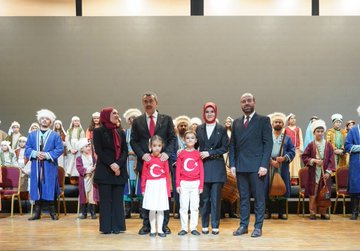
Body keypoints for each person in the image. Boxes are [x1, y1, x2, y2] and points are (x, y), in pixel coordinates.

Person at [130, 91, 176, 235]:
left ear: (156, 102)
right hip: (145, 164)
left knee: (164, 196)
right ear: (143, 103)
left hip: (162, 165)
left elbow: (173, 139)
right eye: (145, 101)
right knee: (146, 196)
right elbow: (133, 141)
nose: (148, 104)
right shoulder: (137, 121)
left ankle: (164, 225)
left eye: (151, 101)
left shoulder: (167, 119)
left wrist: (166, 153)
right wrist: (142, 154)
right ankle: (146, 225)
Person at [230, 93, 272, 238]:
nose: (246, 103)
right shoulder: (236, 123)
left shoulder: (263, 120)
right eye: (243, 101)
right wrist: (233, 164)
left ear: (254, 102)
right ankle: (243, 226)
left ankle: (258, 227)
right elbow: (233, 146)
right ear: (240, 104)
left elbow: (268, 144)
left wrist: (264, 165)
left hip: (257, 167)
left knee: (259, 198)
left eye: (249, 101)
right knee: (243, 198)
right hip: (241, 166)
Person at [93, 107, 128, 234]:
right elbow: (99, 151)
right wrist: (112, 164)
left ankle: (118, 226)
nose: (117, 115)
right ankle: (107, 227)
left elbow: (124, 151)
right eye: (114, 113)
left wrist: (118, 165)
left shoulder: (121, 132)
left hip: (119, 171)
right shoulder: (98, 132)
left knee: (118, 201)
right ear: (106, 115)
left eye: (117, 113)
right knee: (106, 201)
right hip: (105, 170)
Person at [26, 109, 64, 221]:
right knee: (37, 186)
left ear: (50, 122)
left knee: (49, 186)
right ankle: (37, 213)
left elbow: (59, 149)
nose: (44, 120)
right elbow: (27, 149)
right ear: (39, 120)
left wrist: (47, 155)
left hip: (49, 166)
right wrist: (36, 153)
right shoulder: (32, 135)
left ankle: (52, 212)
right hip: (36, 165)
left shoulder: (55, 136)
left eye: (47, 119)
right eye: (42, 118)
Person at [196, 102, 228, 235]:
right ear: (204, 113)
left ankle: (215, 225)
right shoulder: (199, 128)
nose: (210, 114)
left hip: (217, 167)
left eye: (212, 111)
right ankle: (204, 225)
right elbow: (194, 144)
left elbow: (225, 147)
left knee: (215, 199)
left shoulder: (222, 128)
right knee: (204, 199)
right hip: (203, 168)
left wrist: (210, 153)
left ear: (216, 113)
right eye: (207, 111)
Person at [302, 119, 335, 220]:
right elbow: (304, 157)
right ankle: (312, 212)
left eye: (321, 131)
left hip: (324, 174)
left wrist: (328, 172)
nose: (320, 133)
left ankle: (323, 212)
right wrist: (314, 161)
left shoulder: (328, 145)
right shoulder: (311, 145)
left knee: (324, 193)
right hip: (313, 174)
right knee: (313, 193)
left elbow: (331, 159)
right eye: (318, 131)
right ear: (314, 132)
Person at [265, 113, 295, 220]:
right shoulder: (267, 137)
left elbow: (292, 151)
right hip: (269, 167)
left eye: (280, 122)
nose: (278, 124)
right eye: (276, 122)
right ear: (272, 124)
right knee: (268, 187)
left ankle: (281, 212)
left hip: (282, 167)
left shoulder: (287, 138)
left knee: (281, 187)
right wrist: (270, 161)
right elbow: (262, 151)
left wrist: (284, 158)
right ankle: (268, 212)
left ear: (283, 124)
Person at [141, 135, 171, 237]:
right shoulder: (147, 159)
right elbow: (144, 174)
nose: (157, 148)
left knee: (161, 208)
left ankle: (161, 230)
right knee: (152, 208)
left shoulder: (164, 159)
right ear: (150, 146)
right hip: (151, 185)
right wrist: (143, 188)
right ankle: (153, 229)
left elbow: (167, 175)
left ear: (162, 146)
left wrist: (168, 189)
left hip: (161, 185)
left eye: (159, 145)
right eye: (154, 145)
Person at [176, 130, 204, 236]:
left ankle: (193, 228)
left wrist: (201, 185)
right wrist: (178, 184)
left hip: (195, 183)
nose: (190, 140)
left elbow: (201, 170)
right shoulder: (181, 153)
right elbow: (178, 169)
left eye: (192, 138)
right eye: (187, 138)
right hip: (184, 183)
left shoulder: (198, 154)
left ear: (196, 140)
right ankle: (184, 228)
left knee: (194, 207)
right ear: (184, 140)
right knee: (183, 207)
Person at [123, 108, 142, 219]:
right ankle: (127, 211)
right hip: (127, 162)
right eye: (131, 118)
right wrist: (128, 152)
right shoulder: (125, 133)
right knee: (128, 185)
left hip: (138, 160)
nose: (133, 120)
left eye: (135, 118)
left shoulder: (142, 133)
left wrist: (136, 152)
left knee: (139, 185)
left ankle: (141, 210)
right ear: (128, 120)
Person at [172, 115, 191, 218]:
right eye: (181, 125)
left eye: (185, 125)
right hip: (177, 168)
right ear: (177, 127)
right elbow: (171, 151)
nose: (183, 127)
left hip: (189, 169)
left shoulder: (190, 137)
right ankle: (181, 211)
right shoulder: (174, 138)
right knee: (177, 190)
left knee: (188, 190)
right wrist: (175, 161)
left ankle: (188, 211)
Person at [75, 138, 99, 220]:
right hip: (84, 178)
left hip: (92, 178)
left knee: (92, 195)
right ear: (81, 149)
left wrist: (95, 167)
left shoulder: (93, 157)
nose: (88, 147)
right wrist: (88, 170)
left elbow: (96, 164)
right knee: (84, 195)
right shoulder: (79, 158)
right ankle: (84, 212)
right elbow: (79, 168)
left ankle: (93, 212)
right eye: (86, 146)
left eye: (89, 145)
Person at [345, 106, 360, 220]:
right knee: (355, 187)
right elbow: (347, 146)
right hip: (356, 162)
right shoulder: (354, 130)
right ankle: (354, 212)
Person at [221, 116, 238, 219]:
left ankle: (232, 212)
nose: (227, 123)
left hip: (232, 159)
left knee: (233, 188)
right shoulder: (222, 133)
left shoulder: (235, 133)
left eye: (229, 121)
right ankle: (222, 212)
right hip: (223, 157)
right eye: (226, 121)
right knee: (223, 189)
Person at [285, 113, 303, 186]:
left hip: (296, 149)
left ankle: (295, 180)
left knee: (296, 165)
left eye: (294, 118)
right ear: (288, 120)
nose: (293, 120)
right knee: (289, 165)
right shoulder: (285, 129)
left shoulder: (298, 129)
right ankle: (288, 179)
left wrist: (301, 149)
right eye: (291, 118)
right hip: (288, 150)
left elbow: (300, 139)